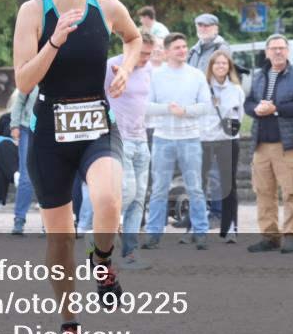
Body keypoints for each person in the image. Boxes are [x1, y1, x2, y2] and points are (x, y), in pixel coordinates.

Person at [12, 0, 140, 334]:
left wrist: (126, 68)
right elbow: (24, 81)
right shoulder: (33, 12)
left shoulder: (107, 8)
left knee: (109, 200)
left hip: (96, 124)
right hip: (49, 133)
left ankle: (102, 260)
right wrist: (55, 41)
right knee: (60, 239)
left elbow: (135, 39)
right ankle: (69, 324)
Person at [142, 32, 212, 250]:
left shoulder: (196, 75)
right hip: (163, 138)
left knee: (195, 188)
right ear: (166, 52)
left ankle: (201, 232)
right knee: (159, 189)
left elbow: (206, 105)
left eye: (184, 46)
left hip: (190, 139)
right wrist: (168, 109)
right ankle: (153, 234)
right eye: (177, 47)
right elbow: (145, 106)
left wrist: (185, 111)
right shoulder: (155, 76)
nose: (183, 50)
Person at [242, 35, 293, 252]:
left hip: (287, 144)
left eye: (282, 48)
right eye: (273, 49)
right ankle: (270, 237)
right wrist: (256, 109)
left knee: (291, 192)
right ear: (267, 52)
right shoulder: (259, 76)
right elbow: (247, 102)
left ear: (288, 51)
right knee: (264, 193)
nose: (278, 52)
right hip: (261, 145)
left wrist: (276, 109)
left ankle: (292, 236)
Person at [105, 31, 154, 267]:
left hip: (141, 139)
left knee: (139, 199)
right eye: (142, 53)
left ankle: (130, 252)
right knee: (127, 193)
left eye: (149, 54)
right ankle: (99, 235)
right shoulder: (110, 67)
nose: (145, 58)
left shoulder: (149, 69)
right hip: (119, 138)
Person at [203, 49, 245, 243]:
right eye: (217, 63)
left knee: (229, 185)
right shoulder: (203, 88)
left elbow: (239, 116)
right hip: (205, 139)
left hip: (228, 141)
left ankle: (229, 228)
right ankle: (196, 228)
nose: (220, 66)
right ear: (211, 66)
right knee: (199, 184)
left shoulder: (236, 90)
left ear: (229, 67)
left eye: (224, 63)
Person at [8, 86, 39, 235]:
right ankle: (19, 219)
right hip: (27, 128)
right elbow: (19, 102)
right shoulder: (32, 78)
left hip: (52, 130)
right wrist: (14, 125)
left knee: (49, 177)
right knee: (26, 176)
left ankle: (48, 224)